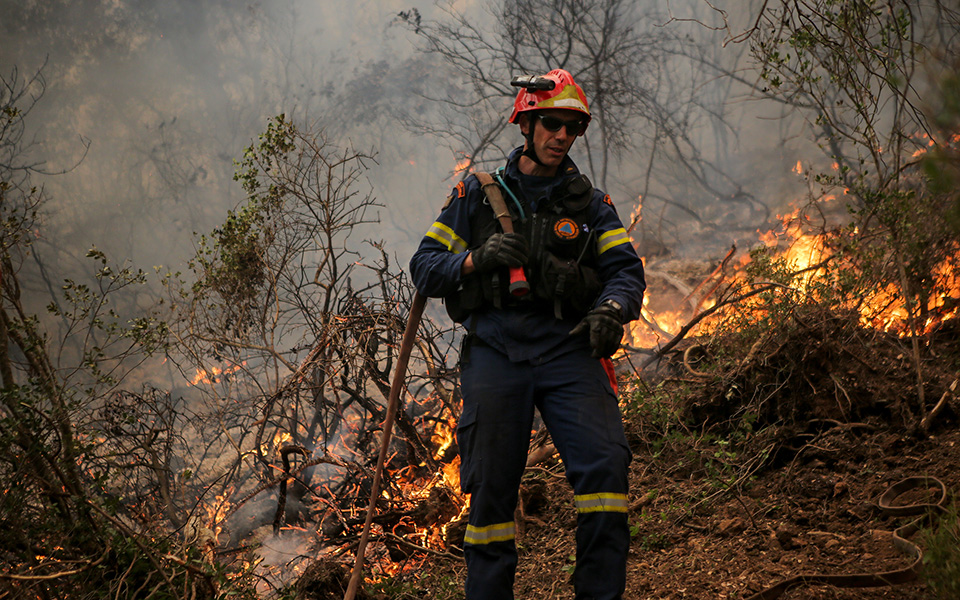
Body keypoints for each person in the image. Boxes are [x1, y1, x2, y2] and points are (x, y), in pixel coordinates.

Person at [409, 68, 646, 600]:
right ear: (527, 124)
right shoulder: (476, 194)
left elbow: (626, 272)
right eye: (553, 125)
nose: (563, 136)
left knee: (607, 475)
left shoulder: (591, 205)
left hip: (570, 351)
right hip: (497, 352)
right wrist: (474, 260)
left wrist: (611, 308)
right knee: (491, 500)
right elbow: (425, 265)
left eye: (573, 128)